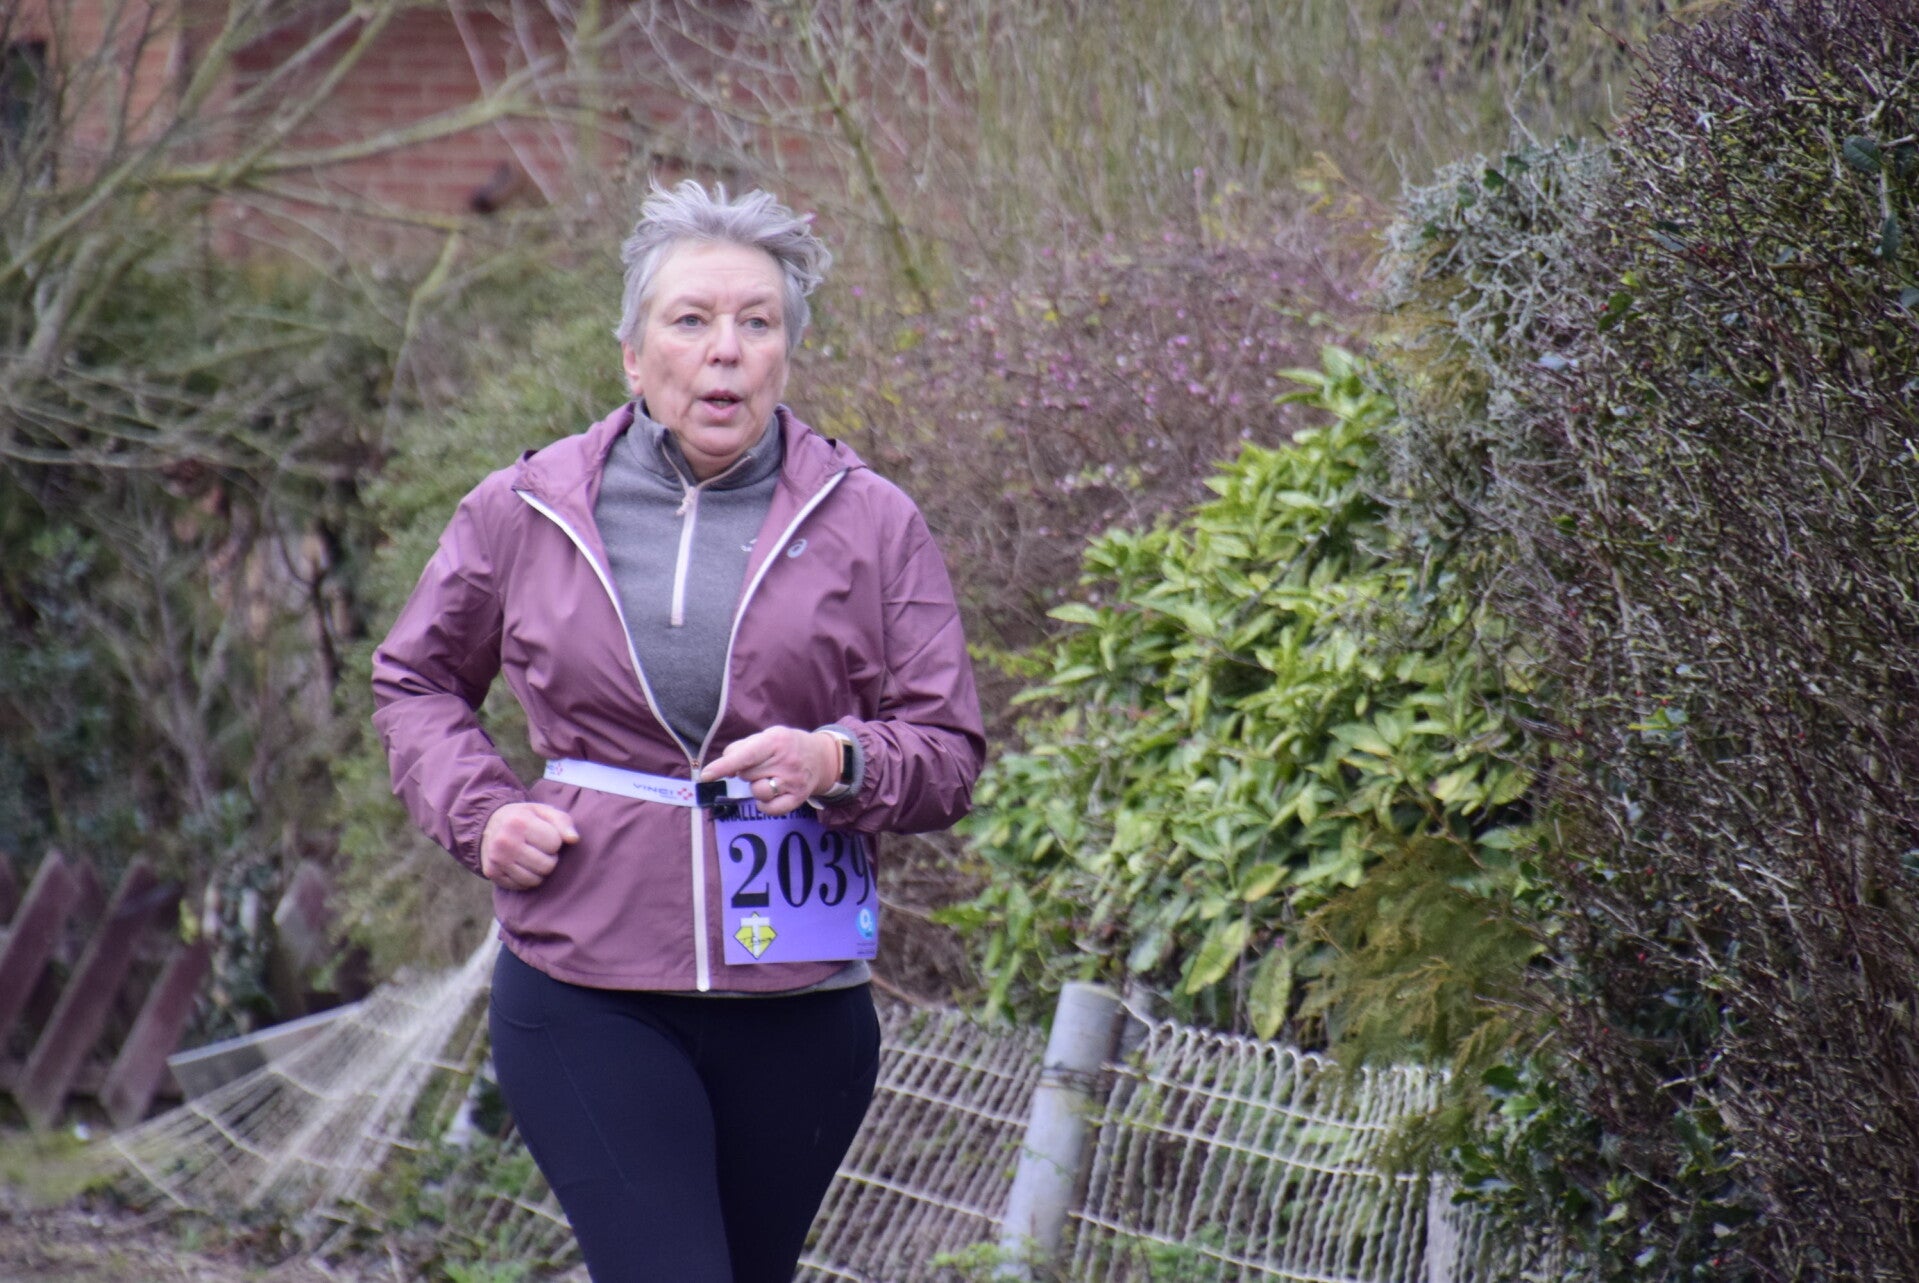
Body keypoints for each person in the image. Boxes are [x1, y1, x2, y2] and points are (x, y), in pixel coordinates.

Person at [371, 180, 985, 1283]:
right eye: (691, 321)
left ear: (788, 352)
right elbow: (415, 679)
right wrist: (482, 812)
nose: (726, 352)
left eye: (757, 323)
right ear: (630, 354)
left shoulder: (872, 520)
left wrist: (835, 759)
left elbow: (946, 750)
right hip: (583, 980)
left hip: (799, 1001)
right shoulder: (524, 508)